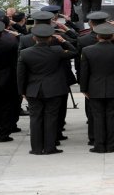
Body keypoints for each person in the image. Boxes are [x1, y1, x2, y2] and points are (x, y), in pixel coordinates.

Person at [17, 24, 77, 155]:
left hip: (33, 89)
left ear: (34, 38)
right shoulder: (57, 50)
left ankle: (36, 148)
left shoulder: (25, 53)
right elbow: (74, 52)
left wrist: (22, 91)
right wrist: (63, 41)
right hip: (54, 89)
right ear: (50, 38)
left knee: (35, 118)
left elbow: (20, 75)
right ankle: (50, 147)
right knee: (51, 118)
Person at [79, 23, 114, 153]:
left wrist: (84, 89)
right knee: (113, 118)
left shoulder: (87, 50)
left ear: (97, 36)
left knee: (97, 118)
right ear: (112, 37)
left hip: (94, 88)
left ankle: (98, 145)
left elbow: (84, 72)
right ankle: (111, 145)